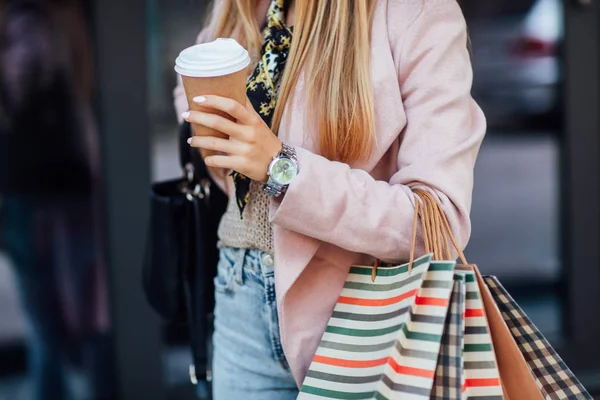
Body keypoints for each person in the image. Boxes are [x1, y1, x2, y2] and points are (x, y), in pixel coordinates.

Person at [173, 0, 485, 398]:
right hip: (239, 299)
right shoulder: (240, 7)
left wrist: (281, 167)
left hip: (362, 313)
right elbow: (190, 94)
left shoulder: (416, 12)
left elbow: (437, 220)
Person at [0, 0, 110, 398]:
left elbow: (25, 85)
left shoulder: (30, 24)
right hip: (59, 189)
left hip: (39, 191)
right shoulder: (57, 23)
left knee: (49, 321)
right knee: (74, 317)